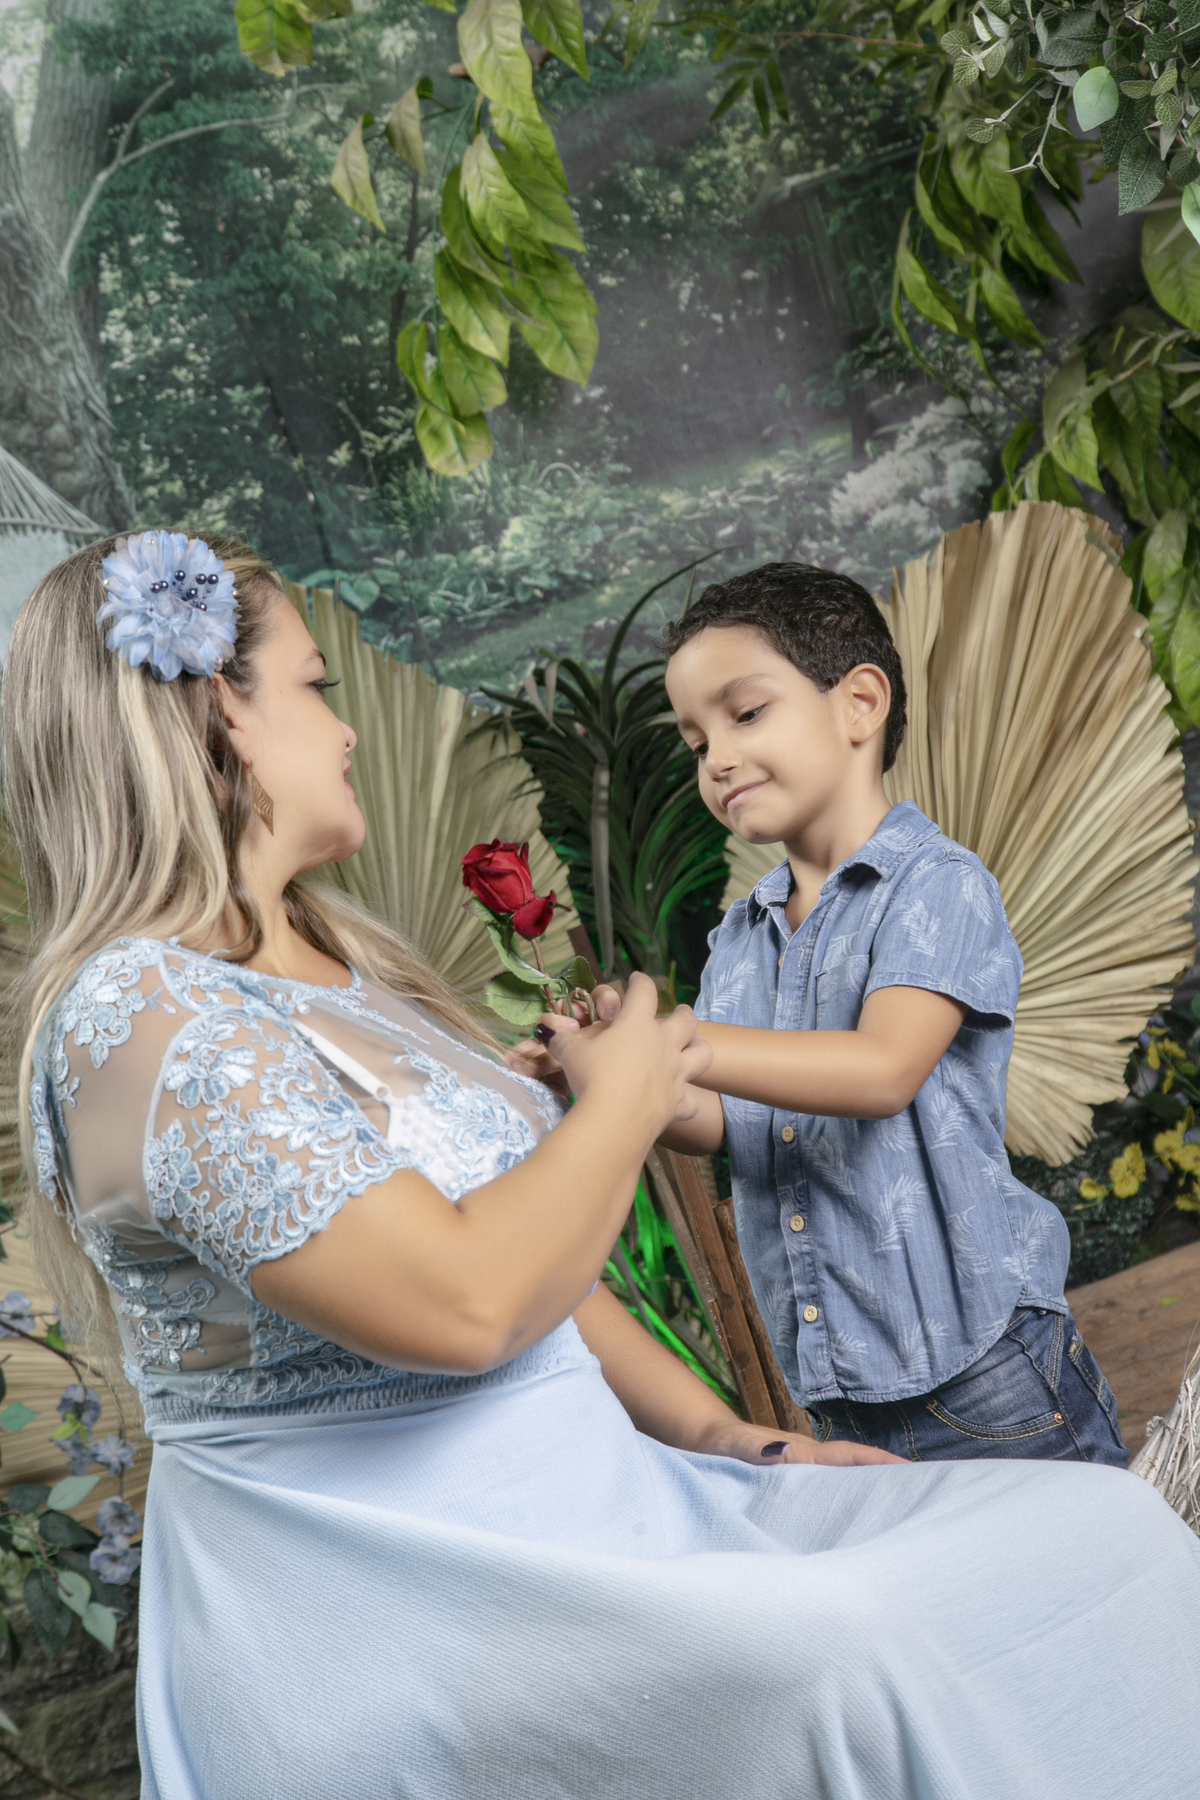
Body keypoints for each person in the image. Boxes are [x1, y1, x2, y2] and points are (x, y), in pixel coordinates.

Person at [7, 532, 1200, 1800]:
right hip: (404, 1593)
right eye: (316, 688)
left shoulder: (348, 974)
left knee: (1098, 1526)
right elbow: (472, 1302)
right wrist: (626, 1096)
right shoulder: (142, 1017)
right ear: (219, 711)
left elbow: (553, 1284)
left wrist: (737, 1442)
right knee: (852, 1657)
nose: (345, 731)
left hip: (604, 1506)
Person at [531, 562, 1127, 1468]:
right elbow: (726, 1120)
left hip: (986, 1371)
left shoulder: (935, 885)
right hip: (838, 1393)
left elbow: (883, 1070)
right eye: (695, 742)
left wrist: (676, 1039)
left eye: (745, 713)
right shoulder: (741, 938)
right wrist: (618, 1072)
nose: (716, 758)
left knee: (1081, 1561)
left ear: (860, 704)